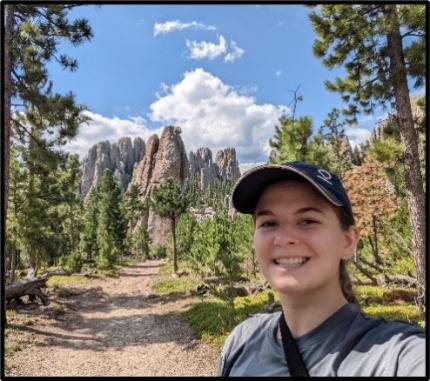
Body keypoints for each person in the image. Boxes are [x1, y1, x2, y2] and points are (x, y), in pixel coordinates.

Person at [217, 161, 426, 377]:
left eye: (307, 221)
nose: (284, 239)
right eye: (268, 223)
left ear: (348, 241)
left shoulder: (397, 355)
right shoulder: (242, 340)